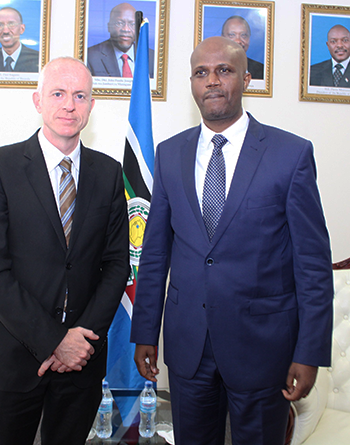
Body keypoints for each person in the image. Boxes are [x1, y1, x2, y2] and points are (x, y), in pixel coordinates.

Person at [130, 36, 333, 445]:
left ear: (246, 78)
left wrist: (309, 353)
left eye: (224, 70)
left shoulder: (290, 154)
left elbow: (312, 265)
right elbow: (154, 255)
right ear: (192, 82)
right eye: (202, 73)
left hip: (263, 348)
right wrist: (145, 332)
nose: (213, 81)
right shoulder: (169, 155)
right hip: (189, 346)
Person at [0, 57, 129, 445]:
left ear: (92, 106)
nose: (69, 105)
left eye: (80, 96)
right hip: (13, 360)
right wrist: (54, 341)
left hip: (82, 362)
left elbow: (115, 266)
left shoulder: (109, 174)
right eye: (58, 93)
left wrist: (80, 341)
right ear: (37, 100)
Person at [87, 2, 154, 78]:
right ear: (109, 27)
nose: (126, 29)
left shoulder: (152, 57)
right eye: (119, 23)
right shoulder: (90, 57)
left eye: (132, 24)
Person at [0, 7, 39, 72]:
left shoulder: (38, 60)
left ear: (22, 29)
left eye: (11, 24)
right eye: (0, 25)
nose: (5, 31)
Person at [309, 24, 350, 89]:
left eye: (345, 40)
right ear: (328, 45)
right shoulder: (312, 72)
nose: (339, 45)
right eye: (333, 41)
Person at [221, 15, 263, 80]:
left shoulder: (261, 70)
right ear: (222, 38)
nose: (238, 41)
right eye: (232, 35)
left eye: (243, 35)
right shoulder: (211, 67)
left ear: (249, 38)